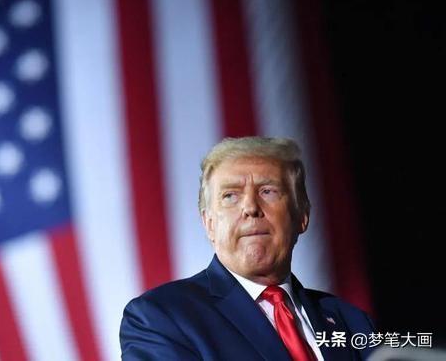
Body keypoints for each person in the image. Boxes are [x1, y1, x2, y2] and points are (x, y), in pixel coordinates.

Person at [120, 136, 375, 360]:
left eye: (268, 191)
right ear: (209, 223)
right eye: (230, 196)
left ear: (302, 216)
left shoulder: (354, 323)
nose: (251, 208)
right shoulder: (161, 317)